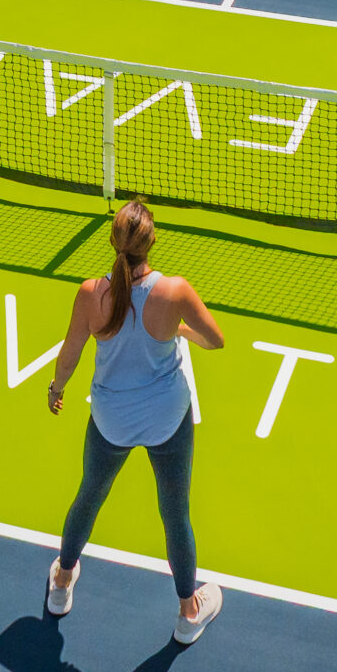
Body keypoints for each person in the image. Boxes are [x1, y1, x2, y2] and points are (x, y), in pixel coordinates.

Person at [43, 200, 227, 643]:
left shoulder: (91, 293)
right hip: (167, 419)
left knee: (89, 495)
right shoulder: (175, 291)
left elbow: (70, 354)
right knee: (175, 513)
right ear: (153, 242)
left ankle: (62, 584)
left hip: (111, 421)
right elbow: (215, 340)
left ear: (112, 241)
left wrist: (57, 388)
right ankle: (188, 612)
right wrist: (178, 331)